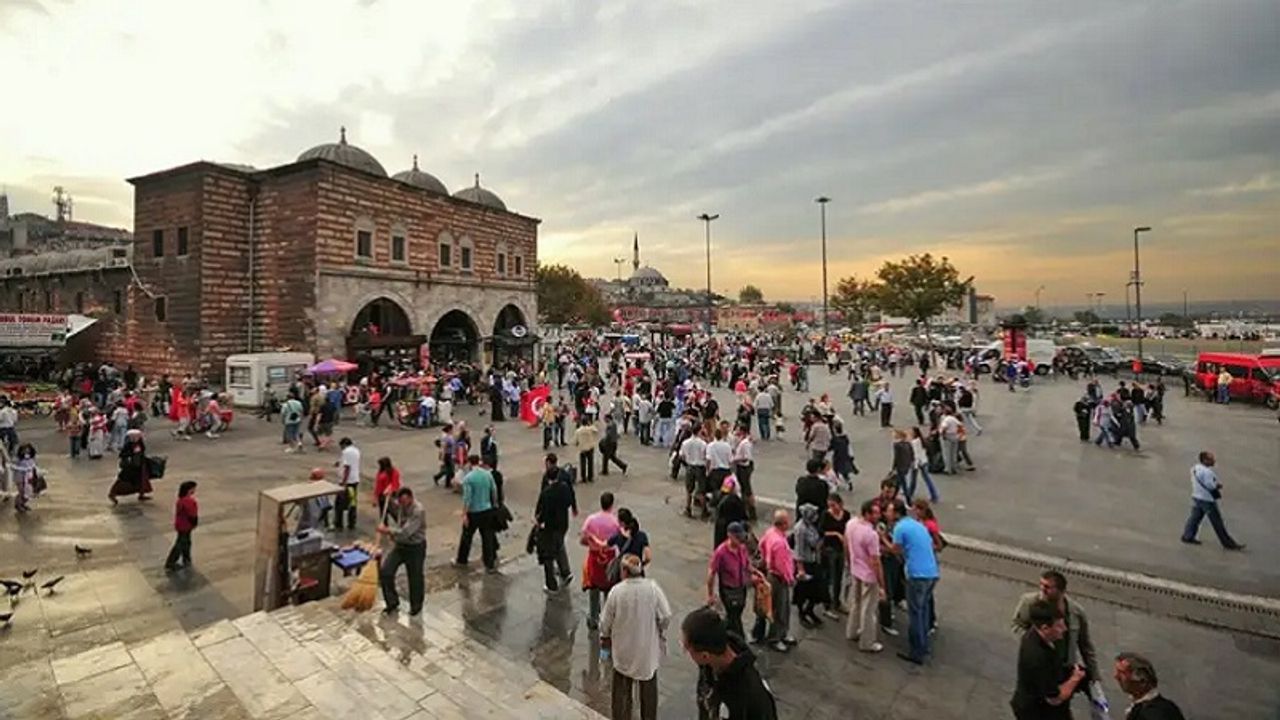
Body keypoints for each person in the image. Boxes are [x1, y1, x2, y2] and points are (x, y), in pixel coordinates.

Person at [1011, 570, 1101, 712]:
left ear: (1061, 591)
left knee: (1062, 705)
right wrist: (1036, 640)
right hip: (1043, 668)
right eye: (1041, 585)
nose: (1042, 590)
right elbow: (1017, 625)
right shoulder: (1029, 602)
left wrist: (1095, 676)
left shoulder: (1076, 612)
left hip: (1064, 666)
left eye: (1047, 587)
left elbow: (1085, 645)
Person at [600, 554, 671, 720]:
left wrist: (605, 637)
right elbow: (666, 615)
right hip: (646, 650)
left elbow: (605, 622)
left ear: (624, 571)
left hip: (624, 650)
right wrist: (658, 629)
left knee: (621, 692)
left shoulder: (617, 592)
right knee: (648, 690)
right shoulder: (653, 588)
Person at [683, 607, 779, 720]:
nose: (685, 651)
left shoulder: (749, 693)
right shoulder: (709, 663)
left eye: (687, 648)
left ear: (704, 656)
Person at [888, 499, 939, 665]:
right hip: (932, 572)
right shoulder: (917, 525)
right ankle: (924, 646)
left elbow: (895, 550)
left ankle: (916, 652)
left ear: (896, 513)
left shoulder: (899, 528)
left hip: (917, 575)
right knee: (923, 609)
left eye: (888, 511)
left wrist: (882, 539)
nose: (886, 514)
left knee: (915, 613)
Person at [1179, 450, 1245, 550]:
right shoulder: (1207, 472)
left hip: (1197, 496)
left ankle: (1187, 536)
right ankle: (1228, 543)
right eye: (1211, 459)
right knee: (1217, 522)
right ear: (1205, 460)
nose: (1214, 460)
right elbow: (1210, 486)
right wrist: (1217, 486)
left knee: (1194, 518)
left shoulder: (1195, 468)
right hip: (1207, 500)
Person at [378, 487, 427, 616]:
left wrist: (388, 530)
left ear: (410, 498)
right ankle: (392, 602)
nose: (402, 505)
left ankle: (416, 605)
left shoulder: (418, 511)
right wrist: (385, 497)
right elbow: (391, 507)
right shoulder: (400, 505)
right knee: (386, 571)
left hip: (415, 547)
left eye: (404, 502)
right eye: (400, 502)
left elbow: (406, 532)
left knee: (415, 577)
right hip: (400, 546)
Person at [845, 499, 886, 653]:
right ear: (867, 514)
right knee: (869, 609)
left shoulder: (851, 524)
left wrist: (849, 562)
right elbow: (875, 561)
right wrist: (882, 584)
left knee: (856, 603)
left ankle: (852, 631)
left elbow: (846, 543)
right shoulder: (871, 535)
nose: (878, 515)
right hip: (869, 575)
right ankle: (867, 642)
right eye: (875, 513)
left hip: (856, 569)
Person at [706, 521, 759, 639]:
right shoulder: (721, 552)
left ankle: (724, 633)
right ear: (729, 535)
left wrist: (755, 573)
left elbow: (746, 565)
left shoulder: (742, 548)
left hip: (741, 587)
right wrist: (710, 594)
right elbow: (711, 573)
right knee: (733, 616)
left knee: (736, 613)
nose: (740, 540)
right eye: (737, 538)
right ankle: (740, 640)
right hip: (728, 590)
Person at [581, 491, 622, 629]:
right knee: (609, 589)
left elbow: (583, 539)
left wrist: (593, 544)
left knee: (593, 587)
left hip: (594, 556)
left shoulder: (591, 520)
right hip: (610, 557)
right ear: (611, 504)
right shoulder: (616, 522)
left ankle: (593, 618)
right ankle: (608, 619)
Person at [758, 509, 797, 652]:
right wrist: (790, 579)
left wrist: (765, 559)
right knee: (780, 609)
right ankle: (775, 638)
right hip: (779, 578)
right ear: (784, 524)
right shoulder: (780, 543)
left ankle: (782, 634)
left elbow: (761, 545)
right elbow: (782, 566)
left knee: (778, 608)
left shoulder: (770, 533)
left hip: (771, 575)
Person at [535, 464, 577, 592]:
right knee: (560, 545)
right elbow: (569, 501)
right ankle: (565, 571)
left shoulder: (546, 493)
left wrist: (539, 521)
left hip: (550, 526)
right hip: (563, 523)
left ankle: (551, 584)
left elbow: (540, 512)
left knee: (549, 554)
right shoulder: (564, 488)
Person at [455, 455, 498, 572]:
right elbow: (494, 491)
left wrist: (464, 514)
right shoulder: (487, 474)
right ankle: (489, 564)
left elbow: (467, 498)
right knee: (487, 538)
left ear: (469, 463)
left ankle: (462, 559)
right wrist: (494, 505)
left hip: (473, 512)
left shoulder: (468, 478)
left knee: (467, 537)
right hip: (487, 509)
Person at [1114, 652, 1187, 720]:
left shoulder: (1154, 714)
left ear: (1142, 681)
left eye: (1122, 673)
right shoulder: (1166, 707)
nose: (1116, 676)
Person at [791, 503, 825, 628]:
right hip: (805, 563)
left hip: (814, 560)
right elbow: (799, 550)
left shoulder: (810, 526)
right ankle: (802, 613)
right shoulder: (800, 529)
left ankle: (810, 610)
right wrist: (801, 570)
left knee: (816, 590)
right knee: (803, 591)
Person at [819, 494, 850, 619]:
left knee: (839, 576)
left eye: (834, 505)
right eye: (830, 506)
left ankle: (837, 601)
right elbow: (821, 531)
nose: (832, 508)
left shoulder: (846, 515)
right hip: (829, 549)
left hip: (840, 549)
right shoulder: (826, 515)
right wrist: (836, 534)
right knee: (829, 576)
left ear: (840, 504)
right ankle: (827, 604)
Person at [109, 429, 153, 505]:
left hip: (139, 466)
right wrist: (131, 454)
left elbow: (142, 451)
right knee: (123, 481)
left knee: (141, 480)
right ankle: (113, 494)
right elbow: (122, 455)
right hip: (129, 468)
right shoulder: (128, 445)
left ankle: (141, 494)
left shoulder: (140, 443)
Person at [164, 481, 199, 572]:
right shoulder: (189, 501)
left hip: (180, 524)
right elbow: (192, 514)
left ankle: (186, 558)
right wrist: (194, 523)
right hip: (186, 525)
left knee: (186, 542)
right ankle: (171, 562)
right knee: (181, 543)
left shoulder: (181, 500)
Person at [680, 428, 709, 518]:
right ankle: (704, 510)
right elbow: (706, 456)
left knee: (689, 490)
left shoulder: (685, 443)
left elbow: (682, 455)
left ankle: (688, 508)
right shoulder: (703, 443)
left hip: (690, 466)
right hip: (700, 467)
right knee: (701, 490)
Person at [334, 437, 361, 531]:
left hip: (347, 482)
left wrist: (344, 483)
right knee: (352, 503)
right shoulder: (356, 450)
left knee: (339, 504)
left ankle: (339, 524)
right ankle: (351, 524)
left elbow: (347, 468)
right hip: (355, 480)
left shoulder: (346, 452)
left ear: (343, 445)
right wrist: (339, 462)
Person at [907, 426, 939, 503]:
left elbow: (916, 454)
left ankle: (909, 493)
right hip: (924, 461)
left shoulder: (914, 442)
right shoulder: (921, 440)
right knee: (927, 479)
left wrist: (915, 465)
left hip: (917, 462)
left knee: (913, 479)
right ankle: (934, 495)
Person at [574, 419, 600, 483]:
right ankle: (590, 477)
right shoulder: (590, 429)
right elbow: (596, 431)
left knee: (583, 463)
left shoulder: (578, 431)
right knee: (590, 463)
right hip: (590, 447)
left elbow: (575, 441)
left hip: (582, 448)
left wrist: (577, 444)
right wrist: (590, 425)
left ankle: (583, 478)